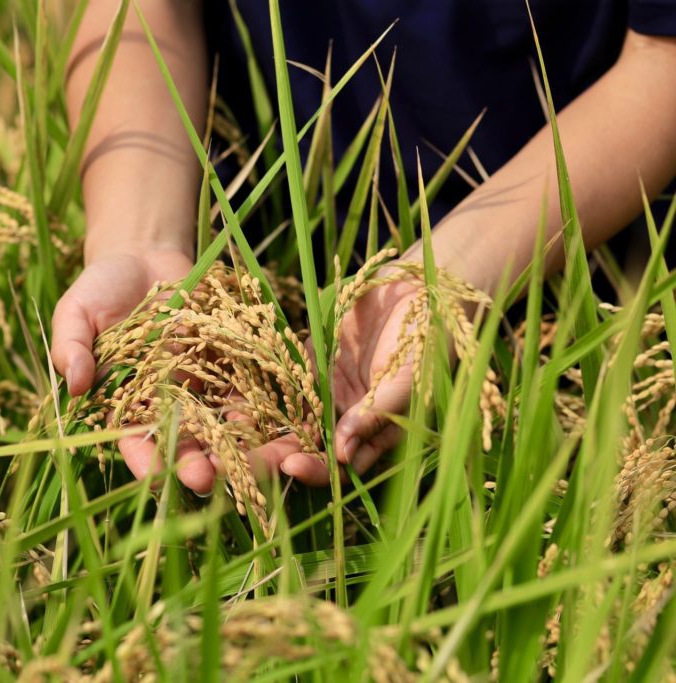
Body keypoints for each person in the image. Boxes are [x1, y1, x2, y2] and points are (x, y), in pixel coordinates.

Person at [50, 1, 676, 494]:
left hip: (600, 285)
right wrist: (139, 234)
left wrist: (451, 273)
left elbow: (661, 58)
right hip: (260, 233)